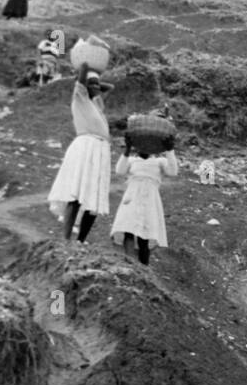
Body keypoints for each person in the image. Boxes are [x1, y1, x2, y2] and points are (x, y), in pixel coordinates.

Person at [47, 62, 113, 243]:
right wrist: (86, 65)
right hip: (86, 146)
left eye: (96, 85)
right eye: (90, 84)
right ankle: (66, 237)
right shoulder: (79, 97)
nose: (95, 88)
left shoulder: (96, 103)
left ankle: (81, 240)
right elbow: (83, 79)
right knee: (75, 194)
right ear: (83, 85)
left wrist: (96, 84)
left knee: (94, 199)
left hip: (100, 150)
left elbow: (110, 87)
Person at [110, 133, 178, 265]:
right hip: (132, 197)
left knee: (145, 233)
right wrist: (127, 150)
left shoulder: (159, 162)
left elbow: (173, 172)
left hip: (150, 198)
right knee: (128, 228)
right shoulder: (132, 160)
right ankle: (129, 262)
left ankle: (143, 266)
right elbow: (119, 170)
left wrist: (170, 150)